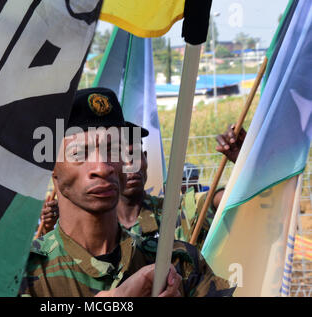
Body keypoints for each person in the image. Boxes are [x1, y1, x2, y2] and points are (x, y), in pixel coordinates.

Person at [19, 87, 234, 297]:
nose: (102, 168)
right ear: (51, 166)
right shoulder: (21, 276)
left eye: (114, 150)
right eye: (79, 153)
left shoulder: (178, 262)